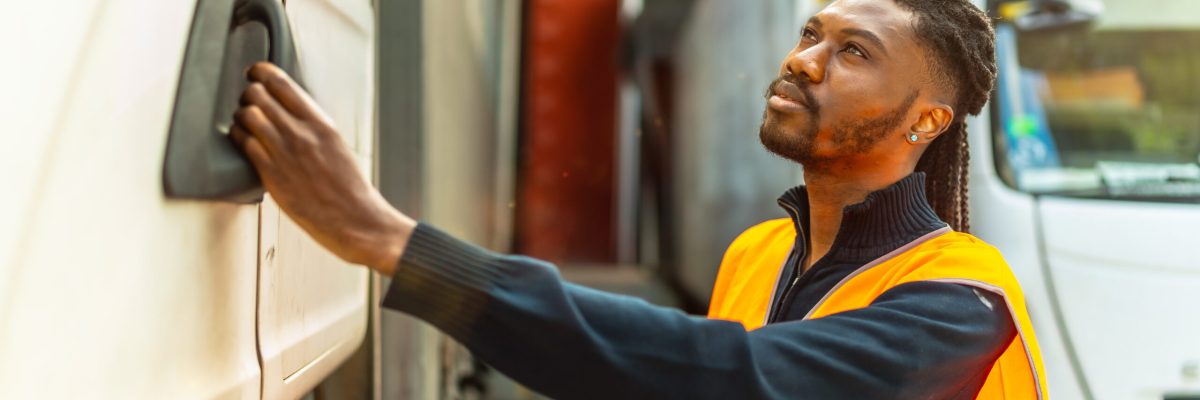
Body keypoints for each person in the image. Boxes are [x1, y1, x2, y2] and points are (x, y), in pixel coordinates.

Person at [229, 0, 1047, 398]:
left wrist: (397, 246)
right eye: (811, 35)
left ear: (929, 119)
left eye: (854, 52)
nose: (804, 61)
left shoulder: (963, 304)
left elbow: (731, 378)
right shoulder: (759, 255)